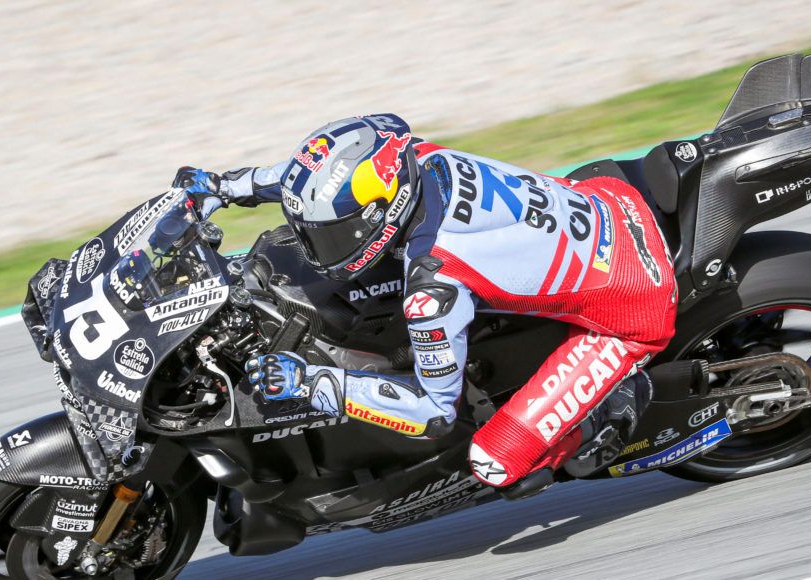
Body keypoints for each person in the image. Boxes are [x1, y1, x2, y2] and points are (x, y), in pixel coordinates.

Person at [174, 113, 676, 493]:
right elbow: (311, 177)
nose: (317, 247)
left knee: (495, 463)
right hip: (609, 201)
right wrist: (224, 187)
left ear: (382, 214)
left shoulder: (434, 285)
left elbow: (433, 413)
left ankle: (613, 409)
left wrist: (310, 383)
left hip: (632, 305)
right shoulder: (413, 157)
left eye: (333, 234)